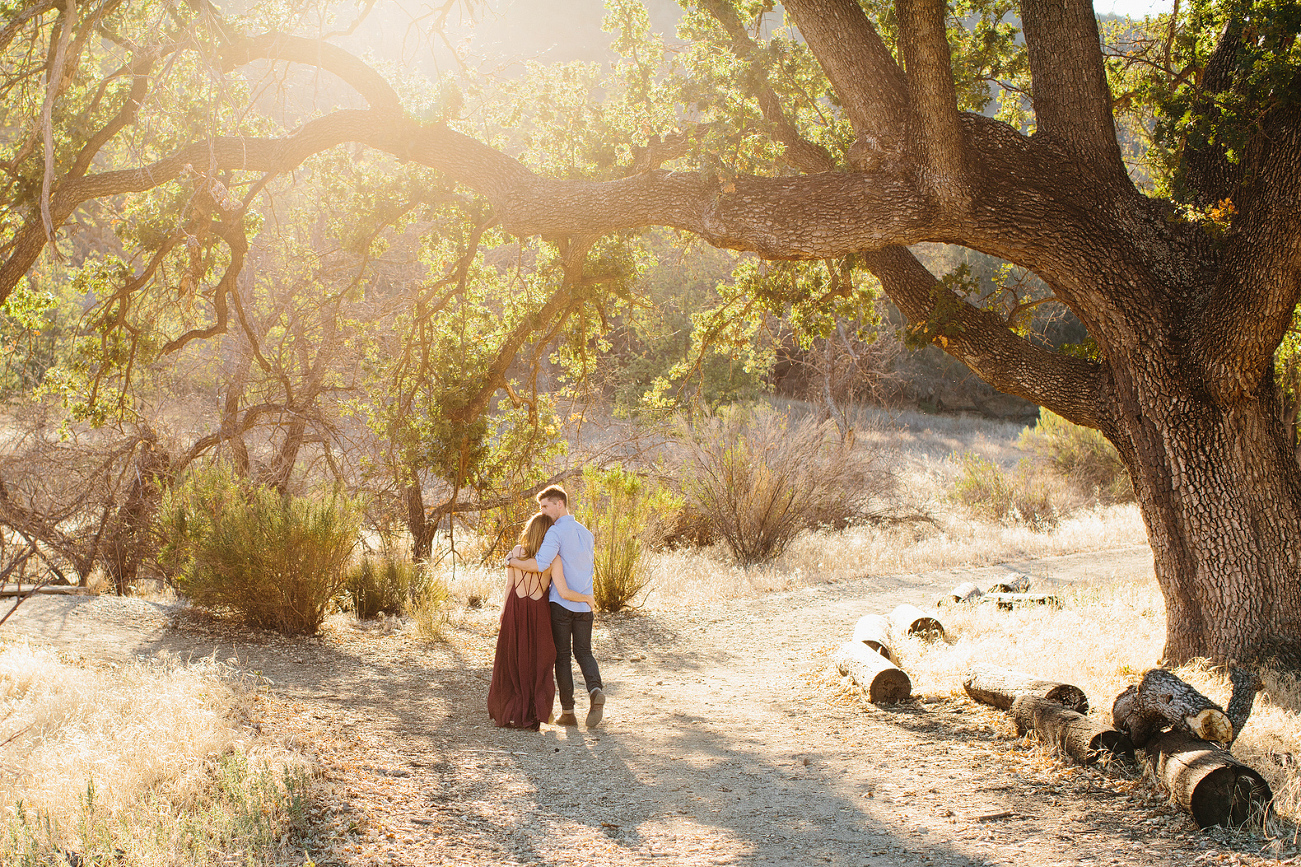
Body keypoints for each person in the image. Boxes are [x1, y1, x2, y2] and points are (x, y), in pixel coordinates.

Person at [507, 485, 605, 728]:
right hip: (584, 604)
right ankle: (595, 690)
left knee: (562, 656)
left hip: (561, 604)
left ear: (558, 504)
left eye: (544, 506)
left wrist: (512, 560)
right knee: (584, 652)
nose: (542, 511)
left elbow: (540, 564)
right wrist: (586, 598)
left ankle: (568, 712)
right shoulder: (586, 533)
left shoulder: (555, 532)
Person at [487, 512, 595, 730]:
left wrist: (503, 612)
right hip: (538, 613)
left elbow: (509, 586)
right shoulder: (553, 560)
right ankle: (534, 713)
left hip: (515, 610)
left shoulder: (516, 553)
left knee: (513, 660)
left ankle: (510, 711)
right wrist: (586, 598)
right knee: (538, 663)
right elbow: (563, 592)